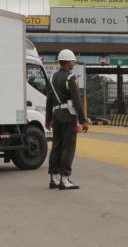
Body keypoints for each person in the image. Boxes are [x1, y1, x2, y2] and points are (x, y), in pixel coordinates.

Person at [45, 49, 91, 190]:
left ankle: (54, 178)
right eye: (73, 61)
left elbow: (49, 100)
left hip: (56, 114)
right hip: (68, 115)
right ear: (69, 62)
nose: (73, 63)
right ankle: (65, 179)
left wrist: (48, 119)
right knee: (68, 147)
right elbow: (76, 101)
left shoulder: (52, 78)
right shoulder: (71, 78)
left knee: (56, 146)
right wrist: (83, 120)